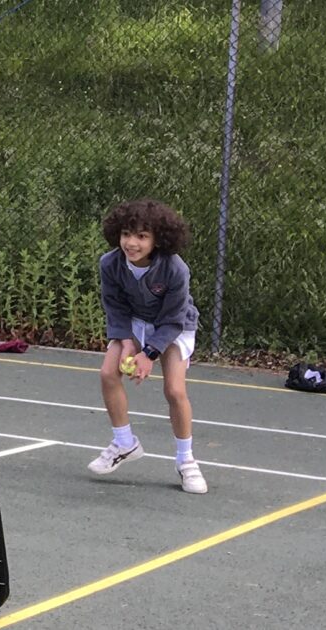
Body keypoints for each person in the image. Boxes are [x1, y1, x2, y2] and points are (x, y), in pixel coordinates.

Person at [86, 198, 207, 494]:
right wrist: (127, 342)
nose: (131, 242)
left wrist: (149, 354)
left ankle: (186, 461)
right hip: (134, 322)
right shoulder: (110, 263)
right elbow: (114, 307)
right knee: (107, 373)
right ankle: (125, 443)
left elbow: (173, 319)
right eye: (127, 234)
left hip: (173, 325)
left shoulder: (175, 269)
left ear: (157, 240)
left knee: (175, 390)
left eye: (142, 236)